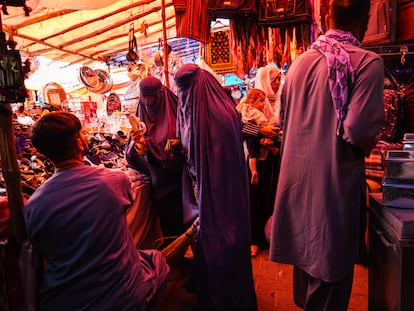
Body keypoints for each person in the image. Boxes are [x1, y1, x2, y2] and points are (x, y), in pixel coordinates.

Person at [269, 0, 385, 310]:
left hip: (296, 187)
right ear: (366, 19)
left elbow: (284, 122)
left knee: (308, 274)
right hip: (332, 190)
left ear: (325, 16)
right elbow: (358, 130)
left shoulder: (300, 63)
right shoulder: (366, 63)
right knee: (330, 283)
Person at [24, 111, 169, 311]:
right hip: (121, 293)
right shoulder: (115, 181)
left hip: (61, 298)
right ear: (80, 143)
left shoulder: (33, 205)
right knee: (157, 260)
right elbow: (127, 198)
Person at [174, 63, 257, 311]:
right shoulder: (201, 109)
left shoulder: (215, 115)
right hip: (212, 188)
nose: (183, 97)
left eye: (185, 90)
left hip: (221, 190)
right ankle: (216, 292)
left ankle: (227, 298)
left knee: (223, 243)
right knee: (216, 243)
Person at [125, 76, 197, 240]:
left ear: (161, 94)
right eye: (146, 100)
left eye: (153, 100)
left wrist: (179, 142)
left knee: (186, 216)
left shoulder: (177, 108)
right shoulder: (142, 110)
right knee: (167, 221)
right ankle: (173, 251)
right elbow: (133, 150)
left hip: (180, 177)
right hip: (158, 181)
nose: (150, 104)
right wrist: (138, 145)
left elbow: (191, 137)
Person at [236, 88, 280, 257]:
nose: (276, 84)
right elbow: (239, 128)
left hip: (272, 160)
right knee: (254, 199)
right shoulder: (246, 111)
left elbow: (282, 131)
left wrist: (271, 139)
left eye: (277, 79)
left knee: (270, 198)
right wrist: (259, 133)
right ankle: (255, 239)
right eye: (273, 80)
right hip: (255, 162)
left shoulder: (276, 107)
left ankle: (270, 236)